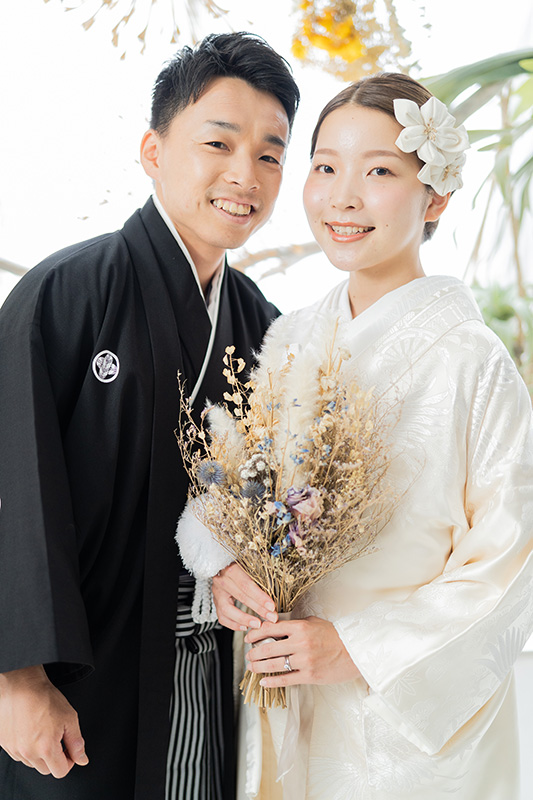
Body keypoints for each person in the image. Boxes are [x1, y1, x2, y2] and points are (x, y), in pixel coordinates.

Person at [196, 73, 533, 799]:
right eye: (325, 167)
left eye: (378, 171)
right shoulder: (291, 339)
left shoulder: (472, 361)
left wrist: (357, 648)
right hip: (285, 684)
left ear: (435, 197)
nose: (342, 198)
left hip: (404, 724)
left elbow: (512, 563)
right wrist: (228, 571)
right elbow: (242, 493)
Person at [0, 32, 299, 800]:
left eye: (269, 155)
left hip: (206, 673)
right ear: (153, 151)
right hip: (77, 680)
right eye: (218, 143)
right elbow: (13, 489)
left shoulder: (263, 326)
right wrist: (16, 678)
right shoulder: (65, 294)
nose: (245, 175)